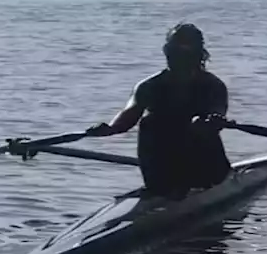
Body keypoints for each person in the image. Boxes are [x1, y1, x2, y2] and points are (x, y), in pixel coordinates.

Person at [87, 23, 232, 198]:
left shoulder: (213, 86)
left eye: (184, 49)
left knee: (194, 125)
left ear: (197, 53)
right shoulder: (149, 86)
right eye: (173, 49)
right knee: (150, 122)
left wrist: (212, 122)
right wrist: (110, 128)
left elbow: (218, 113)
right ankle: (162, 188)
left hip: (205, 168)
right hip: (162, 169)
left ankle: (197, 186)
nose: (177, 55)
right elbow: (130, 114)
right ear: (166, 50)